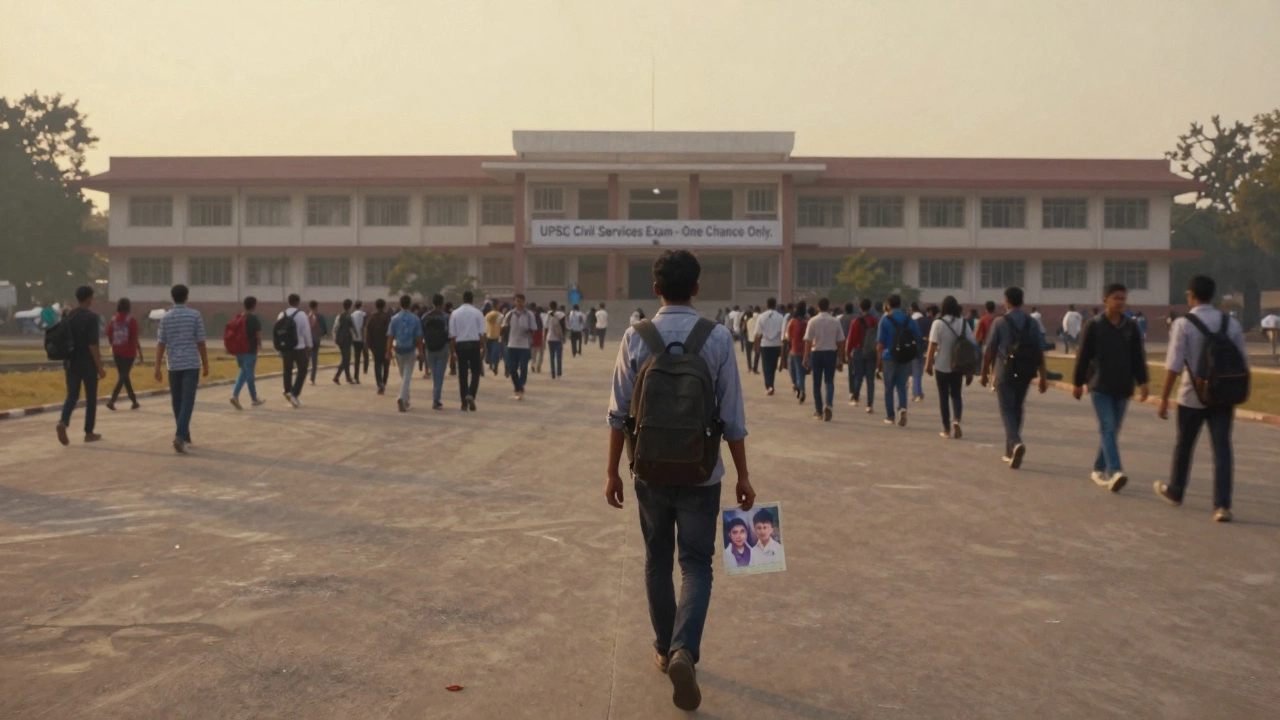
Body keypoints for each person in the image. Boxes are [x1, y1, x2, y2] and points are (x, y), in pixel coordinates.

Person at [604, 249, 754, 712]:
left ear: (655, 290)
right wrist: (743, 475)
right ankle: (685, 649)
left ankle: (664, 648)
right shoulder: (716, 338)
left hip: (648, 469)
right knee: (696, 564)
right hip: (701, 471)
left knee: (656, 561)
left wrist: (612, 470)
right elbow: (732, 417)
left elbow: (618, 412)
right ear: (697, 288)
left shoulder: (635, 336)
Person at [1154, 275, 1248, 522]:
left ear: (1191, 295)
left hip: (1191, 395)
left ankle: (1176, 490)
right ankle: (1222, 505)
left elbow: (1174, 365)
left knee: (1184, 445)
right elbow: (1243, 363)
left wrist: (1163, 398)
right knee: (1222, 449)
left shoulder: (1184, 324)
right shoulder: (1230, 323)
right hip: (1222, 396)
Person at [1072, 283, 1149, 493]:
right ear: (1105, 300)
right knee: (1108, 426)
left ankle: (1098, 468)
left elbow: (1137, 356)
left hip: (1123, 385)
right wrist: (1078, 383)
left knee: (1113, 430)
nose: (1120, 302)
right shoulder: (1094, 325)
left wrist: (1143, 381)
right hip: (1100, 385)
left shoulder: (1131, 327)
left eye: (1123, 298)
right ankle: (1115, 471)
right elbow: (1083, 356)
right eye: (1116, 298)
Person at [980, 286, 1049, 469]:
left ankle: (1016, 442)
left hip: (1005, 371)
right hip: (1026, 371)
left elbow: (990, 350)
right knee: (1018, 407)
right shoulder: (1031, 322)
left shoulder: (1000, 322)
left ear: (1007, 302)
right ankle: (1010, 451)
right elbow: (1039, 350)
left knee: (1007, 410)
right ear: (1022, 301)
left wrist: (984, 372)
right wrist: (1043, 376)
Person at [153, 284, 209, 454]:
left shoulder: (166, 318)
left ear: (173, 298)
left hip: (174, 364)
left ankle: (185, 435)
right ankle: (180, 435)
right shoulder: (194, 315)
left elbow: (161, 343)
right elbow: (201, 341)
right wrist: (205, 363)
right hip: (191, 363)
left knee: (177, 400)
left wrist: (157, 366)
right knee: (188, 400)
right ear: (186, 297)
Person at [55, 286, 107, 445]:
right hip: (87, 363)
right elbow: (92, 345)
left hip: (71, 362)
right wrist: (100, 366)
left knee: (72, 395)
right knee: (91, 398)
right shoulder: (92, 317)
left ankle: (63, 421)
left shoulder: (69, 315)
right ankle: (88, 432)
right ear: (89, 298)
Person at [924, 296, 974, 439]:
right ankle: (956, 420)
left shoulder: (938, 324)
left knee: (943, 397)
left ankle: (946, 429)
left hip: (941, 365)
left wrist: (928, 364)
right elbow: (971, 344)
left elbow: (932, 346)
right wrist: (970, 370)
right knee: (956, 395)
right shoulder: (963, 323)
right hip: (958, 366)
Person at [876, 294, 921, 427]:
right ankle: (902, 408)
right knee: (902, 385)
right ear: (900, 304)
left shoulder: (885, 320)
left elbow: (880, 344)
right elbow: (917, 337)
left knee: (888, 387)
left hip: (888, 356)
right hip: (904, 356)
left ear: (888, 305)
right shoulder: (909, 319)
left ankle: (890, 416)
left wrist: (878, 362)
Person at [803, 297, 846, 421]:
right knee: (829, 381)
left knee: (816, 383)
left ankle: (818, 410)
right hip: (830, 353)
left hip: (816, 354)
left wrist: (805, 358)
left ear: (818, 307)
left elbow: (808, 341)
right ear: (829, 306)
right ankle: (829, 404)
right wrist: (841, 359)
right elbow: (841, 341)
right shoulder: (835, 321)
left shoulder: (812, 321)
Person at [449, 290, 487, 411]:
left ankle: (464, 401)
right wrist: (483, 347)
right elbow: (482, 333)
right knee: (476, 371)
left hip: (460, 345)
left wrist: (453, 351)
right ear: (472, 299)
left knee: (462, 373)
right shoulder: (478, 313)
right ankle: (471, 394)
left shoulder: (455, 313)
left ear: (463, 299)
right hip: (474, 344)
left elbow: (452, 336)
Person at [105, 297, 143, 412]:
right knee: (123, 376)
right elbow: (134, 338)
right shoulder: (131, 320)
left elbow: (108, 334)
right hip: (129, 353)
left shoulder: (113, 320)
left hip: (117, 351)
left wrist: (114, 345)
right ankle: (112, 400)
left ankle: (134, 401)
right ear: (128, 307)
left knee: (124, 376)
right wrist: (139, 352)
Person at [387, 294, 424, 412]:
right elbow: (418, 337)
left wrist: (388, 351)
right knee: (407, 376)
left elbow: (390, 336)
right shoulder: (415, 319)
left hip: (398, 349)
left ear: (400, 304)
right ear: (409, 304)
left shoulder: (394, 318)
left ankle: (406, 401)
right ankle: (402, 398)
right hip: (410, 349)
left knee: (404, 376)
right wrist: (421, 351)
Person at [229, 296, 264, 410]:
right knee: (247, 374)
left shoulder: (239, 317)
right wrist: (260, 346)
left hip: (239, 350)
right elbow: (258, 335)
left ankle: (253, 398)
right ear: (254, 306)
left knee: (246, 373)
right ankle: (236, 395)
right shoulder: (254, 319)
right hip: (250, 350)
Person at [278, 294, 313, 408]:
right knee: (302, 369)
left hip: (286, 347)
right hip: (299, 347)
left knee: (287, 369)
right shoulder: (302, 315)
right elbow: (306, 331)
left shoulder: (281, 314)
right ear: (298, 302)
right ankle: (294, 393)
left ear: (288, 302)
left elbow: (279, 332)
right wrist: (309, 345)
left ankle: (287, 390)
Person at [845, 298, 878, 414]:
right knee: (870, 380)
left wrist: (848, 352)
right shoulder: (875, 321)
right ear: (870, 307)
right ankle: (869, 405)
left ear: (860, 308)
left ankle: (856, 398)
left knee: (858, 376)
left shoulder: (856, 322)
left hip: (859, 351)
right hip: (871, 352)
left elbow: (851, 339)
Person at [503, 294, 537, 400]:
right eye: (516, 301)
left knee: (523, 367)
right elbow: (503, 327)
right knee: (512, 368)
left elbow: (533, 329)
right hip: (512, 345)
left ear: (524, 302)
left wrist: (530, 340)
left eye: (520, 301)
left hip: (524, 345)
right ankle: (518, 388)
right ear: (514, 302)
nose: (518, 303)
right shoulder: (509, 314)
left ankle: (520, 386)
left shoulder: (529, 315)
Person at [420, 294, 451, 410]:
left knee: (434, 374)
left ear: (432, 303)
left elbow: (421, 333)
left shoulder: (425, 317)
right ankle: (436, 400)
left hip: (429, 348)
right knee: (440, 375)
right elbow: (450, 333)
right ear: (442, 304)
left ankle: (436, 397)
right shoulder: (446, 317)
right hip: (443, 348)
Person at [752, 297, 786, 396]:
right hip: (776, 344)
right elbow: (783, 333)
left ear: (767, 305)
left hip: (765, 344)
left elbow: (758, 333)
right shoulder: (780, 317)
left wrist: (756, 345)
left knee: (766, 366)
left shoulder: (761, 317)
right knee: (773, 366)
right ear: (775, 305)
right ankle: (771, 384)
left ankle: (769, 386)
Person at [363, 298, 392, 394]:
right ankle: (384, 382)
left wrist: (367, 345)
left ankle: (379, 383)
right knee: (386, 366)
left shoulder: (371, 318)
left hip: (375, 346)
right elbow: (390, 332)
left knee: (377, 365)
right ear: (384, 306)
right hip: (385, 345)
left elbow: (367, 332)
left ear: (376, 306)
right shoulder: (387, 317)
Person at [786, 300, 810, 404]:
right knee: (801, 372)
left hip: (795, 349)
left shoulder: (792, 321)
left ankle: (799, 388)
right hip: (805, 350)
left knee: (792, 369)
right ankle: (801, 388)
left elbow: (789, 337)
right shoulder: (807, 322)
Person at [910, 302, 934, 403]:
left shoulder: (912, 321)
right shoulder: (928, 320)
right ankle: (918, 392)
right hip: (925, 347)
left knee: (915, 372)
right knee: (919, 372)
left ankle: (917, 393)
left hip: (914, 348)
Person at [332, 299, 356, 385]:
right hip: (347, 340)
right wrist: (356, 336)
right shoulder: (348, 316)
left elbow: (335, 328)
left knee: (346, 358)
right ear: (350, 306)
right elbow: (352, 328)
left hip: (340, 340)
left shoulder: (339, 316)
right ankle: (337, 376)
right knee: (346, 359)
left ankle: (348, 377)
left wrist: (335, 339)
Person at [545, 300, 566, 379]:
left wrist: (544, 338)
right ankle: (559, 373)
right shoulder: (561, 314)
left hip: (550, 338)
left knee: (552, 356)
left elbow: (546, 327)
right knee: (559, 356)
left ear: (550, 306)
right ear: (556, 306)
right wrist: (563, 337)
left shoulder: (548, 315)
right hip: (558, 338)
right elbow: (564, 327)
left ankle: (553, 373)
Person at [306, 300, 324, 385]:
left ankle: (302, 375)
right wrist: (320, 335)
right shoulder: (319, 317)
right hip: (316, 340)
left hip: (307, 341)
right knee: (314, 360)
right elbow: (324, 329)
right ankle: (312, 378)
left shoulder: (307, 317)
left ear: (309, 307)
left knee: (306, 359)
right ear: (316, 307)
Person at [484, 302, 504, 373]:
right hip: (497, 336)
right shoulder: (500, 315)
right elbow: (501, 326)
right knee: (496, 352)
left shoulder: (487, 315)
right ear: (497, 306)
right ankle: (495, 366)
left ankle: (491, 365)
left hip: (488, 336)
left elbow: (485, 325)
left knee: (489, 352)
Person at [350, 300, 366, 384]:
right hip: (361, 338)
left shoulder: (352, 315)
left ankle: (355, 376)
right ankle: (361, 373)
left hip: (354, 338)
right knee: (363, 356)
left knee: (356, 358)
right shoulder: (363, 314)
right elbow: (364, 327)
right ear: (360, 306)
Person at [530, 302, 546, 374]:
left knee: (534, 352)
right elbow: (544, 326)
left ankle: (533, 364)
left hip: (533, 335)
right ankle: (538, 366)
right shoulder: (541, 316)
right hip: (540, 334)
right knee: (541, 352)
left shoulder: (529, 315)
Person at [742, 308, 757, 373]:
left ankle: (749, 367)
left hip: (748, 339)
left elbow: (743, 330)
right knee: (756, 354)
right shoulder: (755, 320)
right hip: (756, 339)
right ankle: (755, 368)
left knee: (749, 354)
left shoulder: (746, 321)